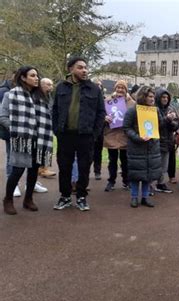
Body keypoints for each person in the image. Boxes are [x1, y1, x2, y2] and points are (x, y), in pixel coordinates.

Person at [52, 56, 106, 211]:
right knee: (64, 167)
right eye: (80, 67)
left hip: (86, 136)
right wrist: (57, 130)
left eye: (85, 67)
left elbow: (101, 113)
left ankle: (81, 197)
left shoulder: (94, 89)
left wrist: (94, 134)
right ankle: (65, 196)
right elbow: (54, 110)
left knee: (83, 168)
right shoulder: (61, 87)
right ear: (71, 69)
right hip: (65, 135)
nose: (84, 70)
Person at [3, 66, 53, 215]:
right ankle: (8, 199)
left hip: (39, 140)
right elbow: (2, 116)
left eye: (37, 75)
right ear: (23, 78)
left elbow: (48, 117)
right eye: (32, 75)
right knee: (17, 170)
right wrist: (16, 129)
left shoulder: (42, 97)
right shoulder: (10, 95)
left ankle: (28, 199)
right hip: (21, 139)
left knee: (33, 171)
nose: (36, 78)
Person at [123, 86, 161, 208]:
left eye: (153, 96)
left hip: (151, 147)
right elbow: (126, 128)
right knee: (136, 174)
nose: (152, 99)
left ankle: (145, 197)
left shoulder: (155, 110)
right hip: (136, 147)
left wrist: (166, 118)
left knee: (147, 174)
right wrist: (138, 138)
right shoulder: (132, 110)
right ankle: (134, 197)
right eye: (150, 96)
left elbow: (159, 125)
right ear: (143, 97)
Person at [104, 80, 135, 192]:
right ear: (115, 89)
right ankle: (111, 181)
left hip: (125, 136)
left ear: (126, 90)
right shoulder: (108, 101)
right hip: (111, 134)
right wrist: (105, 118)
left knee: (125, 160)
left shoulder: (132, 103)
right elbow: (101, 114)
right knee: (112, 160)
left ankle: (126, 181)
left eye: (122, 88)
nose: (120, 90)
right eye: (118, 87)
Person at [154, 87, 179, 193]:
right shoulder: (154, 109)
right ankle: (151, 184)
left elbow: (177, 124)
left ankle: (160, 183)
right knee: (155, 164)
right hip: (156, 141)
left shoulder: (171, 108)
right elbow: (155, 125)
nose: (165, 99)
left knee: (164, 165)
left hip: (168, 141)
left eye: (167, 97)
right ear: (158, 98)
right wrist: (167, 119)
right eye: (163, 97)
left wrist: (172, 122)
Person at [37, 78, 56, 179]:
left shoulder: (49, 97)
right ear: (41, 85)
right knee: (39, 148)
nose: (51, 87)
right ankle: (40, 168)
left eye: (52, 85)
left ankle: (44, 168)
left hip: (48, 127)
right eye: (48, 85)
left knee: (47, 148)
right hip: (38, 127)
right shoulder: (36, 96)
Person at [92, 79, 105, 180]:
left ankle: (97, 171)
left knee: (98, 152)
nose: (99, 87)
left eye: (100, 85)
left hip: (100, 129)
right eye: (96, 85)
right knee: (87, 152)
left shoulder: (105, 100)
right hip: (89, 129)